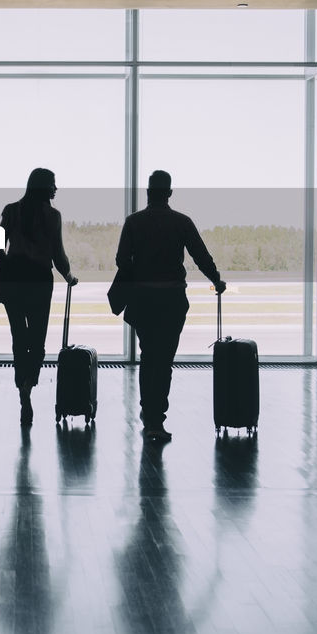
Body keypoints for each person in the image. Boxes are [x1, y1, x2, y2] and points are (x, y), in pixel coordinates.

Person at [115, 170, 225, 441]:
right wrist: (217, 280)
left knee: (147, 356)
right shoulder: (182, 222)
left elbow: (121, 260)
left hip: (142, 300)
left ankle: (147, 413)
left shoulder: (133, 222)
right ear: (170, 193)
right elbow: (201, 256)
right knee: (163, 361)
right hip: (172, 300)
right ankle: (156, 419)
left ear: (148, 192)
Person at [0, 168, 78, 426]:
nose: (56, 189)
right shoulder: (52, 216)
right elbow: (58, 255)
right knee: (38, 338)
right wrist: (69, 276)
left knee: (18, 336)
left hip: (15, 279)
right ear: (44, 188)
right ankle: (29, 383)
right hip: (40, 279)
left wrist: (12, 262)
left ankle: (23, 390)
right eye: (53, 184)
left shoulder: (10, 210)